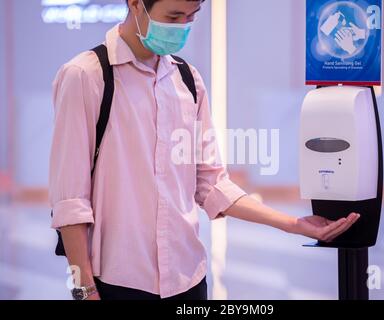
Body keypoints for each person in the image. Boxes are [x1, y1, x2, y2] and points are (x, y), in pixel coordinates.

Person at [49, 0, 360, 300]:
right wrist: (83, 292)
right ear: (135, 4)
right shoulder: (85, 76)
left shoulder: (187, 80)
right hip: (117, 284)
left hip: (189, 281)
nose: (182, 27)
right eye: (172, 17)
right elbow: (70, 202)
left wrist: (293, 224)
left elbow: (212, 184)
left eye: (191, 17)